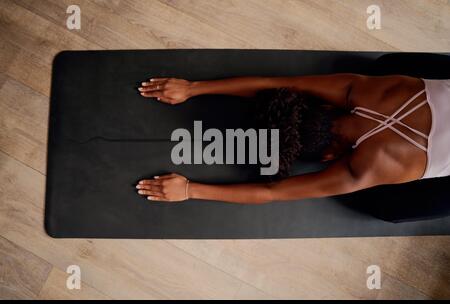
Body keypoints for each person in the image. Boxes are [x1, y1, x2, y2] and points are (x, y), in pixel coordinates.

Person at [134, 74, 450, 203]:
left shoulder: (364, 95)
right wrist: (189, 189)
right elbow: (272, 191)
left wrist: (194, 88)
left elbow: (284, 83)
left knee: (388, 212)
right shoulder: (366, 166)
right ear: (328, 159)